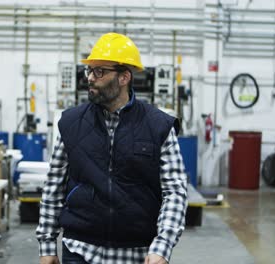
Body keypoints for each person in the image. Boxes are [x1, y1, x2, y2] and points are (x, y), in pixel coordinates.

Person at [36, 32, 188, 264]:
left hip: (137, 252)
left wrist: (163, 246)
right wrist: (47, 244)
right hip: (80, 250)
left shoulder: (158, 126)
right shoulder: (71, 123)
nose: (90, 78)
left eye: (99, 71)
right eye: (89, 70)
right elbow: (53, 186)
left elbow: (175, 191)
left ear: (124, 77)